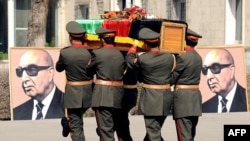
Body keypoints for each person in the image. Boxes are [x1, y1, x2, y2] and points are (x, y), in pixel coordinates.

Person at [126, 27, 179, 141]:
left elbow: (130, 63)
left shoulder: (143, 59)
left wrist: (133, 49)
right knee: (155, 130)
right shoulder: (170, 57)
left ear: (145, 44)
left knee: (153, 132)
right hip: (166, 97)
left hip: (151, 99)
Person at [55, 21, 94, 141]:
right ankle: (69, 123)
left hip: (73, 93)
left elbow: (58, 68)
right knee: (77, 120)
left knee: (76, 125)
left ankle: (69, 124)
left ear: (70, 36)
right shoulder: (91, 52)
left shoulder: (65, 52)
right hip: (89, 92)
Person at [87, 27, 126, 141]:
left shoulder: (97, 53)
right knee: (113, 127)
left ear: (103, 40)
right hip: (118, 95)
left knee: (105, 131)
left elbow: (88, 71)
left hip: (103, 95)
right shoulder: (120, 54)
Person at [13, 49, 65, 120]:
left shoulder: (69, 106)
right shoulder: (17, 113)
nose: (24, 78)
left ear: (50, 73)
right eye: (20, 72)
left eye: (32, 70)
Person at [171, 28, 203, 141]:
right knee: (190, 135)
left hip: (183, 100)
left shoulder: (183, 57)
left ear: (184, 41)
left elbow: (173, 78)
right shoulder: (198, 57)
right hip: (195, 99)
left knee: (184, 135)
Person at [202, 48, 247, 113]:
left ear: (232, 70)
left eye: (215, 68)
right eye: (205, 70)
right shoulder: (204, 108)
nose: (209, 76)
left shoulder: (246, 101)